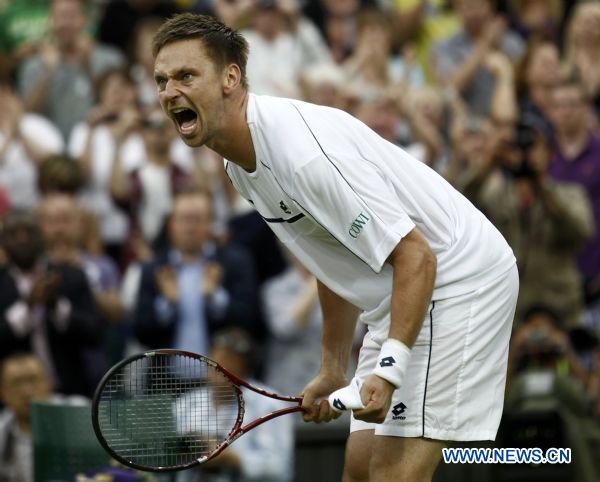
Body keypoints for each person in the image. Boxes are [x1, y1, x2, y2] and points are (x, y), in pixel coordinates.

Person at [151, 14, 519, 481]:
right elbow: (330, 255)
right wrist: (332, 366)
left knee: (394, 475)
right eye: (162, 80)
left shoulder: (300, 154)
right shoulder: (238, 165)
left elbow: (416, 256)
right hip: (401, 291)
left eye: (186, 76)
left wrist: (388, 368)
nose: (169, 92)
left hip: (457, 279)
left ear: (230, 77)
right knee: (359, 471)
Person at [133, 189, 262, 355]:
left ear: (211, 223)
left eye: (197, 219)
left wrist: (215, 297)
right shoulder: (154, 269)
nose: (190, 228)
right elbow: (140, 333)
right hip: (166, 378)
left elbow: (252, 323)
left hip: (222, 377)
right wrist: (167, 304)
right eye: (183, 219)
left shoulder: (236, 263)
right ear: (170, 224)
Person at [0, 209, 102, 397]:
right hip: (12, 401)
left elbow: (94, 334)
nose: (23, 240)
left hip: (70, 392)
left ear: (41, 237)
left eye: (29, 232)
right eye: (14, 234)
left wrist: (57, 306)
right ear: (3, 242)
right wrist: (27, 307)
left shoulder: (71, 276)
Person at [0, 351, 87, 482]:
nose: (26, 391)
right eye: (16, 383)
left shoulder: (80, 411)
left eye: (33, 380)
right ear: (3, 392)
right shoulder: (2, 433)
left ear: (49, 381)